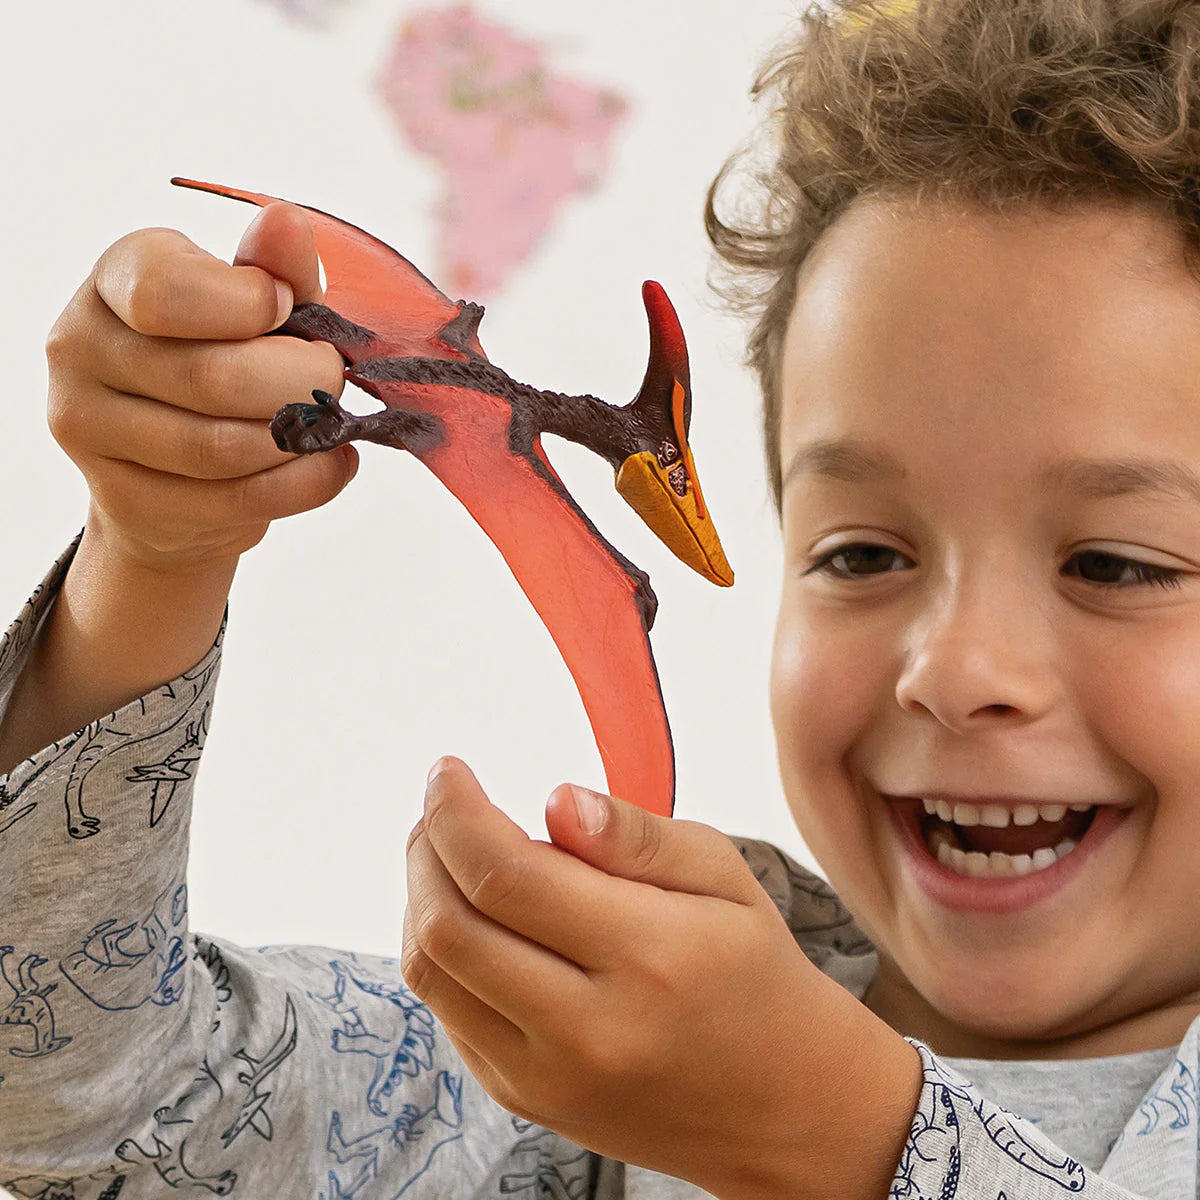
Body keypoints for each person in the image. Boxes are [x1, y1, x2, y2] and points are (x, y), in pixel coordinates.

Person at [0, 0, 1194, 1193]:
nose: (953, 671)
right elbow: (85, 1102)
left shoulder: (691, 1083)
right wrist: (151, 556)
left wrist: (827, 1138)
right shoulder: (585, 1086)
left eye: (1117, 564)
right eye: (865, 556)